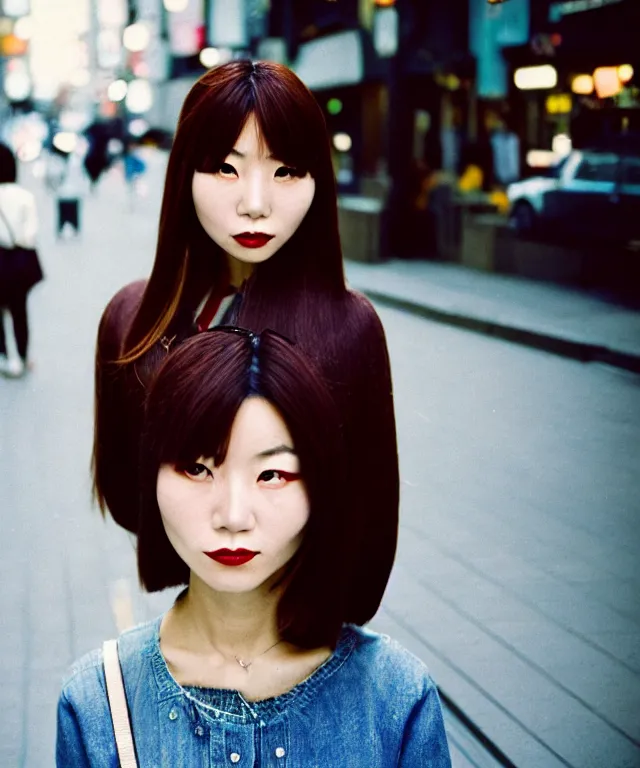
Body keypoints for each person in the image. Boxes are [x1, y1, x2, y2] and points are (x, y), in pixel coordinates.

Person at [58, 329, 451, 766]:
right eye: (196, 468)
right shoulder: (99, 701)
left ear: (320, 487)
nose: (233, 516)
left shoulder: (395, 698)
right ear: (151, 476)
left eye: (272, 475)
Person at [93, 60, 398, 623]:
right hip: (191, 631)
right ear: (185, 172)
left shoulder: (348, 327)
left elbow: (369, 537)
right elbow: (126, 498)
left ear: (317, 181)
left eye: (286, 171)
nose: (255, 202)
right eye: (226, 169)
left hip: (311, 646)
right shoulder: (132, 320)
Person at [0, 142, 39, 378]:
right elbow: (30, 236)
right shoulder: (25, 197)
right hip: (19, 260)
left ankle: (6, 356)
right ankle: (23, 357)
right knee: (20, 310)